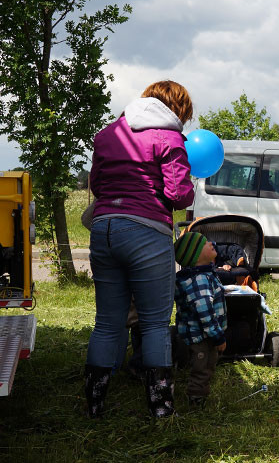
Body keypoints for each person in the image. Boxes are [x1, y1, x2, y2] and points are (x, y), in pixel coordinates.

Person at [85, 80, 195, 418]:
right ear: (176, 108)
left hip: (103, 229)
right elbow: (178, 195)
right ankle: (161, 409)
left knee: (107, 322)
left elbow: (98, 185)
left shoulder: (108, 134)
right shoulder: (169, 137)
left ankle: (93, 404)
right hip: (146, 231)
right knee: (155, 324)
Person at [173, 232, 227, 408]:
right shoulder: (199, 280)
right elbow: (204, 312)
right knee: (202, 367)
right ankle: (196, 399)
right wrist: (217, 336)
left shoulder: (204, 274)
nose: (211, 243)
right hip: (201, 336)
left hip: (201, 334)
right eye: (205, 243)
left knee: (207, 364)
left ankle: (199, 393)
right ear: (195, 256)